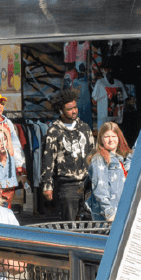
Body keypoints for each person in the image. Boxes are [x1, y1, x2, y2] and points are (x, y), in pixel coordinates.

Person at [38, 94, 95, 223]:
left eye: (75, 107)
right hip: (67, 185)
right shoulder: (54, 131)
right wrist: (47, 185)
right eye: (69, 109)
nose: (74, 111)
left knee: (90, 222)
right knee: (68, 224)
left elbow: (93, 153)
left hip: (87, 183)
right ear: (61, 110)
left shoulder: (85, 128)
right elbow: (47, 160)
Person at [87, 121, 131, 224]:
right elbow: (100, 188)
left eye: (114, 136)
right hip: (109, 218)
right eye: (106, 136)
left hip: (120, 213)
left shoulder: (119, 159)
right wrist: (109, 213)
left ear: (119, 138)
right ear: (101, 139)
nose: (111, 139)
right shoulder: (99, 158)